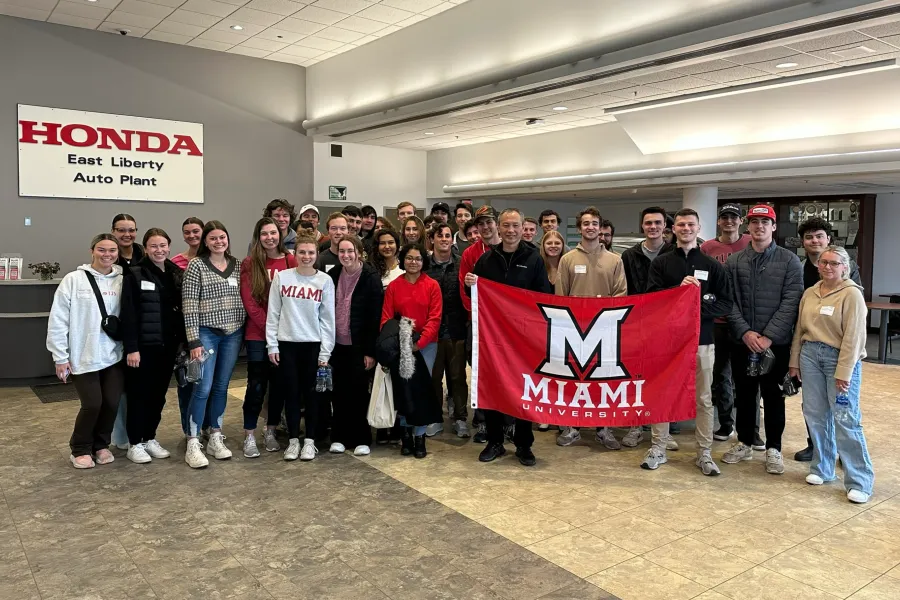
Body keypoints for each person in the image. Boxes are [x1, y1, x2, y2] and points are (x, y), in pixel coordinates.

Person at [642, 209, 732, 475]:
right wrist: (678, 294)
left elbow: (725, 302)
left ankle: (704, 453)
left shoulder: (712, 265)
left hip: (702, 341)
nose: (686, 228)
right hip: (667, 343)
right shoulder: (661, 263)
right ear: (674, 228)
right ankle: (658, 447)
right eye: (681, 224)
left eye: (690, 224)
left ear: (698, 227)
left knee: (704, 399)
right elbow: (652, 300)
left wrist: (697, 306)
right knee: (663, 394)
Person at [468, 208, 553, 466]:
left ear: (522, 227)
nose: (511, 230)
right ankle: (495, 441)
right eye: (506, 225)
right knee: (494, 388)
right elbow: (476, 294)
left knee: (524, 389)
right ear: (499, 228)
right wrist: (469, 284)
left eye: (515, 225)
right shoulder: (486, 260)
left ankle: (524, 444)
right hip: (493, 339)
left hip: (524, 339)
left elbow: (543, 296)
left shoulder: (533, 258)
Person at [789, 246, 873, 503]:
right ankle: (822, 469)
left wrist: (845, 372)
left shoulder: (851, 295)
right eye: (824, 262)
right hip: (810, 355)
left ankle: (860, 480)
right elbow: (799, 329)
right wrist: (794, 362)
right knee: (815, 414)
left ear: (845, 267)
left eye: (834, 263)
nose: (828, 267)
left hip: (839, 359)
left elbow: (855, 337)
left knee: (845, 417)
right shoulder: (810, 293)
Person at [723, 205, 803, 475]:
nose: (759, 227)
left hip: (776, 344)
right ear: (748, 226)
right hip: (743, 342)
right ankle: (744, 442)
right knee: (744, 395)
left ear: (774, 226)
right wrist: (745, 332)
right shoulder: (734, 261)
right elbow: (729, 301)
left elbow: (792, 302)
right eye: (754, 222)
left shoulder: (789, 260)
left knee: (773, 396)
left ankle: (774, 448)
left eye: (765, 222)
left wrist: (768, 336)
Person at [554, 207, 632, 449]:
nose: (590, 227)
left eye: (594, 223)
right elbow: (560, 297)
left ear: (600, 228)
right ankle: (572, 427)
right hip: (574, 331)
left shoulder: (615, 260)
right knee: (574, 379)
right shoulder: (567, 259)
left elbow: (621, 295)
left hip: (605, 330)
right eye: (586, 223)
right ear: (579, 228)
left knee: (603, 381)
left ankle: (604, 429)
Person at [48, 234, 125, 469]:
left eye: (112, 250)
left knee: (111, 403)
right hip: (83, 354)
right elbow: (58, 319)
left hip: (114, 354)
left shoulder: (122, 280)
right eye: (102, 250)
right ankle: (80, 448)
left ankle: (101, 445)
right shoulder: (73, 280)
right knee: (92, 404)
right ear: (92, 250)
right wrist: (60, 356)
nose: (107, 255)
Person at [793, 217, 863, 462]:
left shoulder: (847, 269)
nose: (815, 241)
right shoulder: (800, 268)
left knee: (842, 408)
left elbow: (854, 314)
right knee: (813, 405)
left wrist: (847, 363)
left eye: (819, 236)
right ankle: (817, 446)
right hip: (809, 345)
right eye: (809, 237)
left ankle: (844, 452)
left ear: (828, 239)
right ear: (803, 242)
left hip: (837, 347)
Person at [182, 220, 246, 468]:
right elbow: (189, 305)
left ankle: (215, 435)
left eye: (223, 237)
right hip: (206, 334)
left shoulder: (237, 265)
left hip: (232, 334)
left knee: (221, 387)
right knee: (203, 388)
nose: (219, 242)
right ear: (205, 242)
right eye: (213, 238)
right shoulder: (196, 265)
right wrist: (193, 340)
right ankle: (193, 441)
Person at [267, 232, 336, 461]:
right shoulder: (282, 278)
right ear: (294, 254)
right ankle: (294, 440)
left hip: (313, 346)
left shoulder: (324, 281)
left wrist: (325, 351)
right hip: (287, 345)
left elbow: (328, 319)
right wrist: (272, 345)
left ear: (317, 255)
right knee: (292, 395)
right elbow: (273, 313)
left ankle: (310, 441)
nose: (306, 256)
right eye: (302, 252)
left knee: (313, 395)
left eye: (311, 252)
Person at [119, 228, 184, 464]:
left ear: (169, 247)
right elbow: (129, 314)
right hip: (143, 348)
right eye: (154, 246)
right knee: (139, 395)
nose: (159, 250)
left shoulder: (175, 273)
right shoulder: (134, 274)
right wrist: (132, 348)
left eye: (163, 245)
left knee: (158, 396)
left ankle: (149, 437)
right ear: (145, 248)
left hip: (167, 347)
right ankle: (135, 442)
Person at [700, 204, 760, 448]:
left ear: (740, 221)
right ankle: (726, 423)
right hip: (717, 321)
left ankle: (752, 430)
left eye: (733, 217)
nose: (728, 221)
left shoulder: (750, 243)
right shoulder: (707, 248)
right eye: (724, 217)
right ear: (718, 221)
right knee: (720, 376)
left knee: (748, 379)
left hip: (744, 322)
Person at [239, 218, 298, 458]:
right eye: (264, 233)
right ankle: (249, 434)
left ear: (280, 234)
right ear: (258, 236)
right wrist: (270, 328)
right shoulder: (250, 263)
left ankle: (271, 429)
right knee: (256, 385)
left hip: (286, 336)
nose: (269, 237)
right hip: (257, 334)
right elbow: (249, 301)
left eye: (273, 233)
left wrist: (279, 331)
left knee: (279, 387)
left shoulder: (290, 260)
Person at [381, 244, 443, 459]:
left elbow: (435, 318)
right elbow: (387, 319)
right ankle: (405, 435)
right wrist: (400, 344)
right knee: (404, 391)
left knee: (421, 393)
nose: (413, 262)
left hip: (425, 346)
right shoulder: (394, 286)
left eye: (417, 258)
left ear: (423, 261)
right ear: (402, 260)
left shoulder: (432, 285)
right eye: (409, 258)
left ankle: (420, 436)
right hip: (401, 347)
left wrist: (421, 343)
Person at [622, 206, 677, 439]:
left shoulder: (675, 253)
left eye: (657, 222)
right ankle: (636, 425)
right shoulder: (629, 255)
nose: (653, 227)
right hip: (637, 325)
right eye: (648, 223)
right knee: (636, 376)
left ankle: (663, 428)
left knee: (665, 377)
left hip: (667, 326)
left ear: (665, 226)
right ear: (642, 226)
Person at [328, 236, 383, 456]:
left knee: (359, 393)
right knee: (339, 393)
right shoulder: (332, 276)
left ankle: (362, 438)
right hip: (337, 345)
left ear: (359, 252)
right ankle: (339, 437)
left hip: (360, 346)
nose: (346, 255)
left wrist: (370, 351)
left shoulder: (370, 277)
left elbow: (374, 317)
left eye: (350, 251)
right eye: (342, 251)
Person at [459, 205, 502, 443]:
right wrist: (476, 317)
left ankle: (509, 422)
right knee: (480, 372)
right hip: (479, 324)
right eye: (481, 224)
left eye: (489, 222)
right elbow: (464, 290)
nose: (485, 227)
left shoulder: (512, 250)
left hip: (506, 326)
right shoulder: (470, 254)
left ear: (497, 223)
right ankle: (483, 421)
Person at [426, 224, 469, 438]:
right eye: (439, 235)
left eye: (447, 236)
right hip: (431, 333)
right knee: (433, 378)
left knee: (457, 377)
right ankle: (434, 416)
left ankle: (461, 418)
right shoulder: (424, 265)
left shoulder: (462, 264)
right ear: (432, 239)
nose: (444, 239)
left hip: (456, 330)